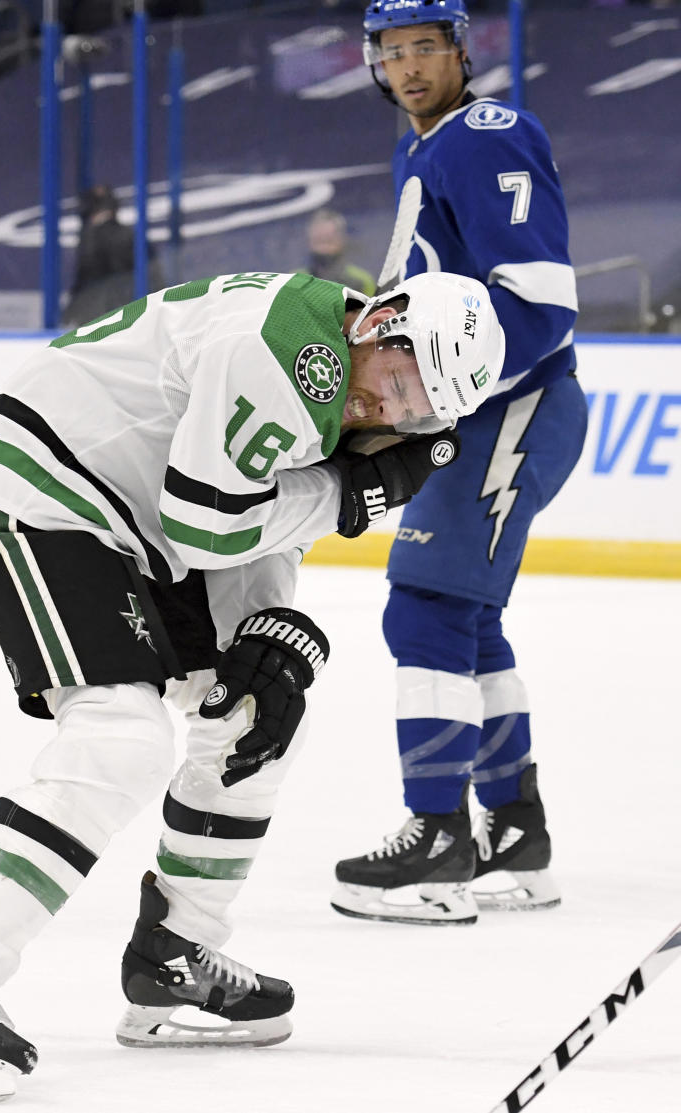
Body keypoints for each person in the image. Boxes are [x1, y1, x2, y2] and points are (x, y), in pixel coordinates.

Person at [0, 267, 504, 1101]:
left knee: (258, 715)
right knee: (122, 735)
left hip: (143, 522)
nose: (388, 412)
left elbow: (259, 508)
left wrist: (262, 626)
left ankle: (174, 953)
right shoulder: (282, 350)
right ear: (378, 322)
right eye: (396, 383)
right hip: (44, 491)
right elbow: (210, 520)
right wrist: (349, 496)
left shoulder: (342, 370)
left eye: (415, 412)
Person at [331, 0, 588, 926]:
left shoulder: (484, 131)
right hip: (491, 413)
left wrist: (438, 396)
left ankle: (438, 835)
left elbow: (543, 302)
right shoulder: (426, 147)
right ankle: (518, 836)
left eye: (424, 48)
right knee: (467, 622)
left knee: (426, 604)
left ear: (460, 52)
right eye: (391, 52)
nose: (407, 67)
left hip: (511, 406)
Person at [63, 184, 163, 327]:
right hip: (128, 314)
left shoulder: (92, 237)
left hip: (99, 315)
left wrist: (71, 311)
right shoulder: (130, 235)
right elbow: (154, 277)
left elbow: (85, 277)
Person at [303, 208, 377, 296]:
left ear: (341, 240)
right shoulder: (294, 280)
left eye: (329, 240)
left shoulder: (362, 281)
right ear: (309, 241)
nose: (324, 248)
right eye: (318, 240)